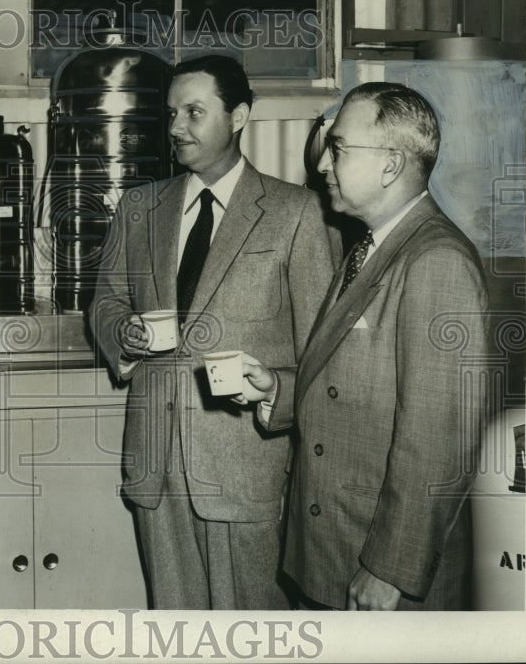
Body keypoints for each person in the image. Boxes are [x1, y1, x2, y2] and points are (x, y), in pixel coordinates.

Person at [89, 55, 339, 609]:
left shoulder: (296, 213)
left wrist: (274, 387)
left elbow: (324, 358)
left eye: (195, 112)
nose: (177, 127)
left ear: (240, 116)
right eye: (173, 112)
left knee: (252, 636)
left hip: (245, 470)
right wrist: (121, 334)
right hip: (156, 469)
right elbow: (105, 300)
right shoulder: (139, 207)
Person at [241, 82, 489, 610]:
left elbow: (438, 442)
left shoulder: (436, 262)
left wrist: (389, 571)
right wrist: (279, 391)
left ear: (391, 165)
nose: (324, 166)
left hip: (378, 570)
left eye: (339, 148)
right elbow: (350, 381)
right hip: (335, 549)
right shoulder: (372, 249)